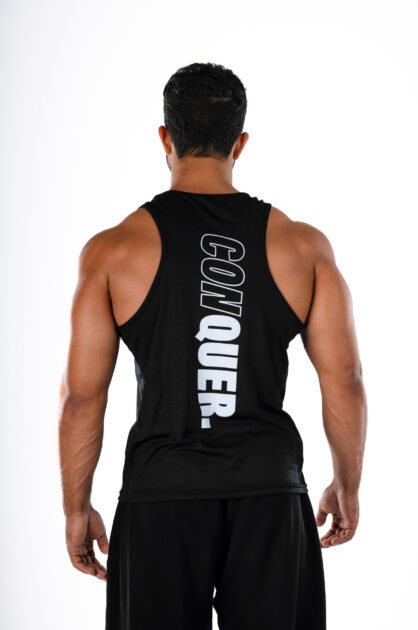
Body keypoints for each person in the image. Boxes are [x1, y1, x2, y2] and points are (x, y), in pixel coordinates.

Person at [58, 62, 367, 630]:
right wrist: (346, 485)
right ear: (239, 143)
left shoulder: (113, 251)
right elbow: (344, 378)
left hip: (161, 497)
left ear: (166, 138)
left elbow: (81, 397)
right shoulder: (302, 247)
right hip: (269, 496)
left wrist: (76, 509)